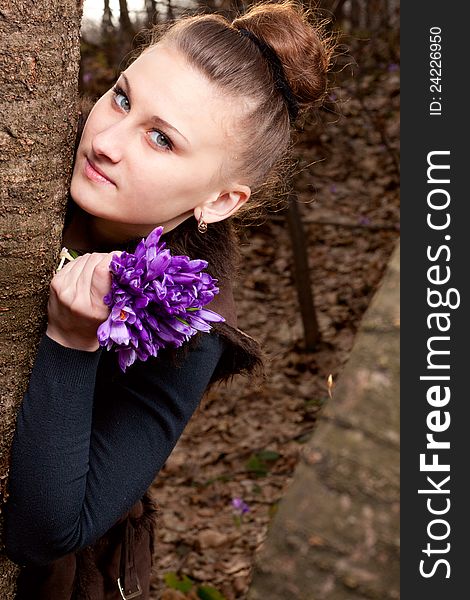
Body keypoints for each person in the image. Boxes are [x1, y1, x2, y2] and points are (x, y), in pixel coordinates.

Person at [3, 1, 333, 597]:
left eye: (161, 139)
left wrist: (72, 343)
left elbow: (45, 532)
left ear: (220, 202)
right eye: (123, 98)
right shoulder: (26, 150)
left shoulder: (191, 334)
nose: (105, 140)